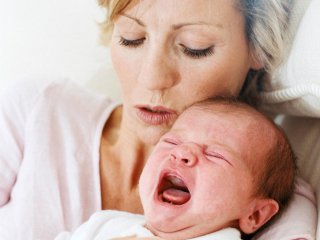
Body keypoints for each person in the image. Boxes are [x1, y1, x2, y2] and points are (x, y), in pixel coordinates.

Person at [0, 0, 312, 239]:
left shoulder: (268, 192)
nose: (152, 79)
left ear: (255, 50)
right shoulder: (38, 111)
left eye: (195, 48)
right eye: (131, 39)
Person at [55, 98, 296, 240]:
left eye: (215, 154)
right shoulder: (105, 223)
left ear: (255, 214)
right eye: (171, 142)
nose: (182, 153)